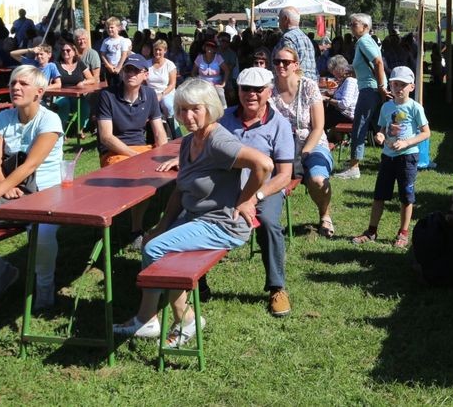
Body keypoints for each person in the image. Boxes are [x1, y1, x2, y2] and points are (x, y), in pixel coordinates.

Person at [113, 79, 274, 346]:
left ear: (210, 107)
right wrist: (163, 224)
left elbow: (264, 164)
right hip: (195, 218)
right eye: (182, 110)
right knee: (154, 242)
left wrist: (246, 200)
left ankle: (184, 319)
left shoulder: (218, 141)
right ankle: (148, 319)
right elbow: (180, 189)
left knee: (155, 250)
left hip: (221, 224)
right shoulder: (189, 141)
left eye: (195, 109)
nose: (188, 116)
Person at [0, 66, 64, 309]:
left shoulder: (50, 120)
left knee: (42, 234)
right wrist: (3, 187)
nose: (15, 88)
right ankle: (0, 272)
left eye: (23, 84)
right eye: (13, 83)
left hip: (44, 190)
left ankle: (44, 288)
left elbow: (31, 164)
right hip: (8, 189)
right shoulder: (3, 118)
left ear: (39, 92)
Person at [218, 67, 296, 316]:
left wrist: (254, 197)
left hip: (266, 188)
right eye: (245, 89)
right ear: (237, 90)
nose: (251, 94)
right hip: (228, 184)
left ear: (269, 92)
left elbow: (284, 175)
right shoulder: (223, 118)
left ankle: (277, 288)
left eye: (258, 89)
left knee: (269, 222)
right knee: (196, 212)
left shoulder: (279, 124)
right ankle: (196, 283)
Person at [96, 53, 169, 248]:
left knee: (176, 176)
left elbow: (159, 132)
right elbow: (106, 137)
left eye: (136, 71)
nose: (131, 74)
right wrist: (137, 157)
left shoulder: (150, 95)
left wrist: (161, 156)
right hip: (115, 152)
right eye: (128, 69)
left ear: (145, 74)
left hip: (142, 148)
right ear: (122, 72)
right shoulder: (107, 95)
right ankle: (136, 228)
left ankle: (167, 225)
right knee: (139, 178)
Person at [352, 66, 430, 248]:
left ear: (411, 86)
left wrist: (407, 143)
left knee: (406, 196)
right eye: (395, 84)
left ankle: (403, 233)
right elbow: (382, 129)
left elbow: (426, 133)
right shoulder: (386, 107)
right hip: (388, 157)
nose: (398, 88)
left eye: (403, 84)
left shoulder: (415, 108)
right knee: (379, 195)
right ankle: (371, 231)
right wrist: (380, 136)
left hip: (407, 157)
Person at [272, 46, 335, 237]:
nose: (281, 65)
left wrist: (303, 154)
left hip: (312, 143)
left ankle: (325, 214)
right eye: (277, 62)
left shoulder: (308, 86)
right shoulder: (268, 89)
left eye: (286, 62)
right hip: (280, 147)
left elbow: (318, 127)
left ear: (296, 65)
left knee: (317, 179)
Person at [335, 13, 387, 180]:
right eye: (350, 23)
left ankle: (354, 168)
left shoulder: (364, 41)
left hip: (370, 91)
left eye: (354, 23)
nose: (351, 26)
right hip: (372, 89)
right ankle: (394, 159)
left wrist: (380, 86)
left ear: (365, 26)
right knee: (380, 127)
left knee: (360, 126)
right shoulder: (364, 41)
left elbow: (378, 62)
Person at [53, 39, 97, 136]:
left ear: (74, 52)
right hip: (62, 95)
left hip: (76, 95)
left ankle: (79, 129)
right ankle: (61, 132)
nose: (65, 52)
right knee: (64, 104)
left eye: (68, 50)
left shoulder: (79, 64)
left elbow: (92, 79)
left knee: (85, 107)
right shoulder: (56, 65)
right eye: (63, 51)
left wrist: (83, 82)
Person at [276, 6, 317, 78]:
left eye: (279, 19)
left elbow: (287, 65)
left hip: (296, 84)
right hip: (310, 83)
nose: (278, 23)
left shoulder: (287, 38)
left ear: (285, 19)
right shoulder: (306, 38)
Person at [145, 39, 178, 122]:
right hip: (150, 92)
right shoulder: (147, 64)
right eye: (156, 49)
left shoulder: (170, 65)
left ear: (165, 51)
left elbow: (172, 84)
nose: (157, 52)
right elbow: (143, 81)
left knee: (168, 105)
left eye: (160, 50)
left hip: (166, 92)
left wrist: (161, 94)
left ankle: (173, 129)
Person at [322, 55, 357, 131]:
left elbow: (345, 104)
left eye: (333, 70)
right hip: (341, 113)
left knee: (319, 121)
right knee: (320, 115)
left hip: (346, 115)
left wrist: (327, 99)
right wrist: (330, 94)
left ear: (339, 69)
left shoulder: (350, 81)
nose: (332, 73)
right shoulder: (344, 81)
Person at [100, 16, 132, 91]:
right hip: (110, 68)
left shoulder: (122, 40)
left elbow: (124, 54)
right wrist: (108, 66)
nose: (109, 29)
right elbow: (102, 54)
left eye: (112, 27)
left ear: (118, 28)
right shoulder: (106, 41)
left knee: (121, 87)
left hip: (121, 68)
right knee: (111, 87)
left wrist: (119, 67)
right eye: (108, 28)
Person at [192, 39, 228, 106]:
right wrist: (197, 81)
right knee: (195, 95)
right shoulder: (199, 57)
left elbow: (226, 70)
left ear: (215, 49)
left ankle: (225, 110)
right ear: (204, 48)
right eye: (207, 46)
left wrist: (223, 84)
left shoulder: (218, 57)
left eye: (212, 47)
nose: (209, 48)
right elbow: (193, 72)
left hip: (216, 83)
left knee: (220, 94)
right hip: (202, 83)